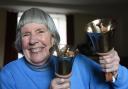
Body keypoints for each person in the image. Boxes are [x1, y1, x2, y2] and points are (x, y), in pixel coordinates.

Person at [0, 8, 128, 89]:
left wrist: (116, 71)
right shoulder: (7, 75)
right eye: (26, 34)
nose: (33, 40)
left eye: (40, 31)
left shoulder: (79, 63)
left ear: (53, 38)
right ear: (20, 41)